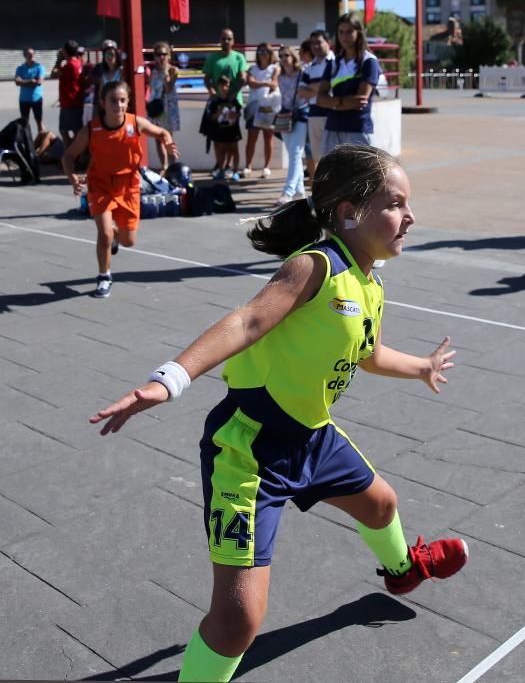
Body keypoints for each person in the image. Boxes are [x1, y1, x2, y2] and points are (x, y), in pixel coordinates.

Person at [89, 144, 469, 683]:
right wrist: (169, 380)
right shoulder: (314, 266)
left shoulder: (371, 283)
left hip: (313, 438)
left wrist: (422, 366)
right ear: (348, 213)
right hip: (249, 449)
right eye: (396, 203)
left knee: (382, 504)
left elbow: (369, 352)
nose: (410, 216)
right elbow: (246, 323)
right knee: (238, 619)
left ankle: (403, 572)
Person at [61, 81, 176, 299]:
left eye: (122, 100)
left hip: (128, 186)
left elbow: (162, 132)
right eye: (113, 100)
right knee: (103, 233)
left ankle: (115, 236)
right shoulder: (92, 129)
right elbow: (68, 156)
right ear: (103, 103)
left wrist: (168, 142)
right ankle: (104, 276)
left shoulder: (135, 123)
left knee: (128, 241)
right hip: (101, 184)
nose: (118, 105)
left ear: (128, 102)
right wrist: (72, 177)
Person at [317, 12, 382, 155]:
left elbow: (359, 101)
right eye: (341, 32)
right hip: (333, 127)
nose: (344, 36)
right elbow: (320, 99)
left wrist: (332, 103)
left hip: (357, 128)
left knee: (360, 176)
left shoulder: (369, 61)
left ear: (358, 32)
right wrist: (342, 102)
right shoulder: (334, 63)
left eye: (349, 31)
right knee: (331, 176)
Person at [203, 28, 248, 172]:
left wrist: (234, 93)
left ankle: (229, 165)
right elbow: (207, 78)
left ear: (233, 41)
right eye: (223, 39)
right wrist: (212, 92)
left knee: (231, 137)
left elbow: (243, 77)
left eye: (229, 39)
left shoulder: (239, 57)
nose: (226, 41)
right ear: (220, 40)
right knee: (217, 136)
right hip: (218, 102)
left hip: (234, 102)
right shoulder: (213, 58)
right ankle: (220, 165)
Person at [275, 45, 310, 205]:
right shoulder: (280, 76)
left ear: (293, 56)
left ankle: (288, 192)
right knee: (292, 154)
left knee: (295, 153)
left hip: (301, 114)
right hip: (285, 115)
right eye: (281, 56)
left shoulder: (302, 73)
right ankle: (299, 191)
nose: (283, 59)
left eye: (286, 55)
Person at [300, 30, 336, 167]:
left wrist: (313, 87)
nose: (316, 46)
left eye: (319, 42)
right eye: (313, 43)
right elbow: (302, 92)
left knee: (334, 153)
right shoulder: (309, 67)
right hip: (314, 112)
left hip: (332, 111)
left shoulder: (336, 63)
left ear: (328, 43)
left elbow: (334, 86)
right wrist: (323, 86)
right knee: (318, 155)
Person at [244, 43, 280, 178]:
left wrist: (262, 83)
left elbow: (275, 84)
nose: (263, 53)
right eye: (260, 51)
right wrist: (265, 83)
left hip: (269, 107)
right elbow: (251, 82)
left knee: (268, 137)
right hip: (254, 105)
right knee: (251, 138)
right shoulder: (252, 68)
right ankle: (248, 166)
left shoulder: (275, 68)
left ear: (270, 53)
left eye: (266, 51)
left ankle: (267, 167)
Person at [147, 41, 181, 170]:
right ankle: (164, 166)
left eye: (164, 54)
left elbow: (168, 88)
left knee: (168, 138)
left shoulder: (173, 70)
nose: (161, 57)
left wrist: (169, 76)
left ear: (169, 56)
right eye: (158, 54)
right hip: (157, 107)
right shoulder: (153, 73)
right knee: (158, 138)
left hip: (168, 107)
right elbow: (151, 89)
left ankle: (173, 166)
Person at [207, 76, 243, 181]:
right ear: (218, 87)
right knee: (221, 150)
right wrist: (219, 111)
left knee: (234, 150)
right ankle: (221, 171)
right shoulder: (215, 101)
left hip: (232, 129)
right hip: (220, 129)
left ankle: (235, 172)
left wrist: (234, 115)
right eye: (222, 85)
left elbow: (239, 113)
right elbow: (212, 117)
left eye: (226, 85)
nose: (224, 88)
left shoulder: (234, 100)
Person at [54, 40, 86, 151]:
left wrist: (58, 60)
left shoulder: (69, 65)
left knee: (64, 130)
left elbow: (54, 74)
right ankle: (77, 155)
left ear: (66, 51)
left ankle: (70, 154)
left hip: (69, 102)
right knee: (76, 129)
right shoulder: (78, 63)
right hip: (76, 100)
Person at [298, 39, 317, 184]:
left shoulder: (307, 68)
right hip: (311, 110)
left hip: (308, 111)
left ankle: (313, 177)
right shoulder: (313, 67)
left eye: (301, 51)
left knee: (309, 147)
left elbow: (304, 91)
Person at [15, 47, 46, 137]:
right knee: (24, 123)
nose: (31, 55)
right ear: (25, 55)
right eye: (28, 54)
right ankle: (27, 142)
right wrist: (31, 81)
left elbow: (39, 82)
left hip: (36, 99)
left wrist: (23, 82)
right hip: (24, 100)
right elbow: (17, 81)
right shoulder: (20, 68)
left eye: (32, 53)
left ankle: (43, 141)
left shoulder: (39, 67)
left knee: (39, 121)